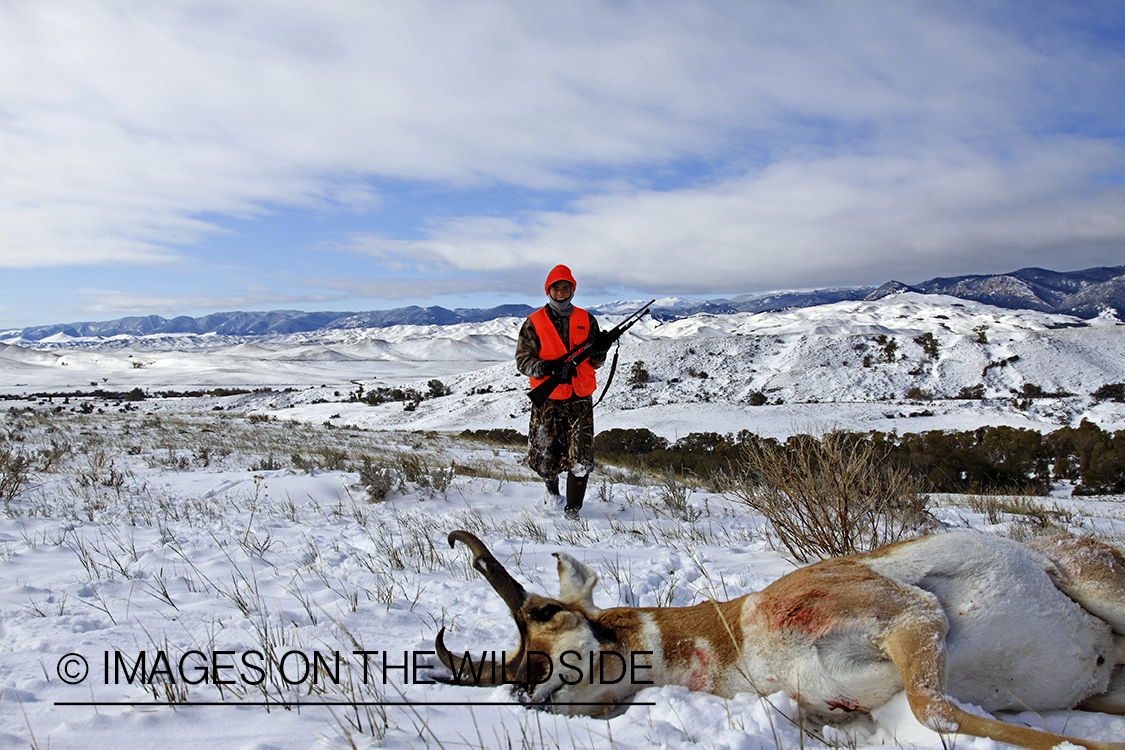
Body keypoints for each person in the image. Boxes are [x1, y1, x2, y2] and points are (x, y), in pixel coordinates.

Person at [515, 265, 610, 519]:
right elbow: (523, 362)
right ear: (549, 290)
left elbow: (596, 362)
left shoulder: (587, 319)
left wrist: (602, 349)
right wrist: (549, 368)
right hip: (548, 401)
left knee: (581, 459)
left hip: (580, 400)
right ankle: (552, 495)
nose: (560, 292)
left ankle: (573, 510)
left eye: (565, 287)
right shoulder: (534, 322)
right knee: (548, 459)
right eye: (555, 287)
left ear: (572, 289)